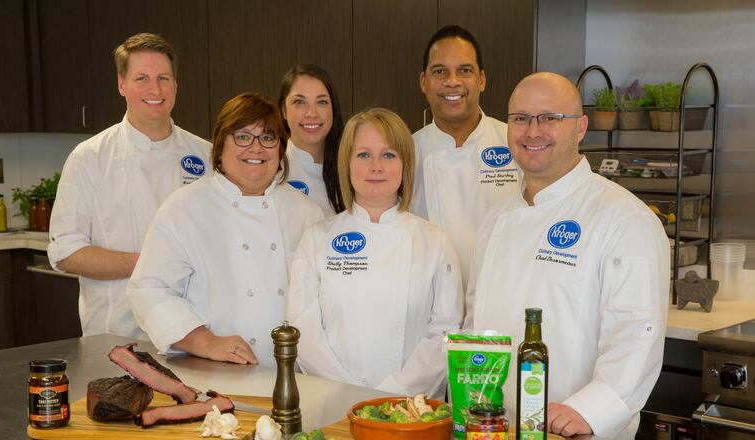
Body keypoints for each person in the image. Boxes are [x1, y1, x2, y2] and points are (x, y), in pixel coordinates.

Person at [465, 72, 669, 438]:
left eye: (550, 118)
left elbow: (638, 334)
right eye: (521, 118)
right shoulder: (495, 217)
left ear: (580, 128)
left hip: (573, 429)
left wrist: (591, 410)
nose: (533, 132)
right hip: (495, 426)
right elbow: (475, 322)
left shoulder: (625, 218)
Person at [127, 93, 322, 365]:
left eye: (268, 137)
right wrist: (205, 342)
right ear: (220, 147)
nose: (256, 148)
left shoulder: (307, 213)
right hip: (215, 374)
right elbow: (149, 290)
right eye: (242, 137)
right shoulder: (184, 209)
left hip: (294, 374)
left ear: (280, 148)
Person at [287, 108, 463, 397]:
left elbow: (445, 333)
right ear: (347, 164)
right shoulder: (317, 239)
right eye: (363, 155)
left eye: (389, 155)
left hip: (410, 406)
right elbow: (303, 330)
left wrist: (393, 393)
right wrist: (348, 393)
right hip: (333, 403)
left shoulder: (435, 242)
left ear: (406, 165)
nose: (376, 167)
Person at [47, 33, 211, 339]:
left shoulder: (206, 155)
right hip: (116, 335)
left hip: (194, 333)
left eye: (163, 78)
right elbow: (66, 252)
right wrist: (148, 263)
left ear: (175, 85)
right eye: (141, 78)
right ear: (121, 85)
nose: (155, 89)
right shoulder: (89, 158)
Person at [410, 25, 521, 288]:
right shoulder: (405, 152)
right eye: (440, 71)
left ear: (481, 80)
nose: (452, 81)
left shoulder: (516, 143)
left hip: (501, 292)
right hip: (430, 297)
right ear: (424, 82)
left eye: (465, 70)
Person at [278, 64, 345, 215]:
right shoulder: (272, 171)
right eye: (299, 102)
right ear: (283, 111)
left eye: (322, 102)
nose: (311, 113)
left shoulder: (352, 169)